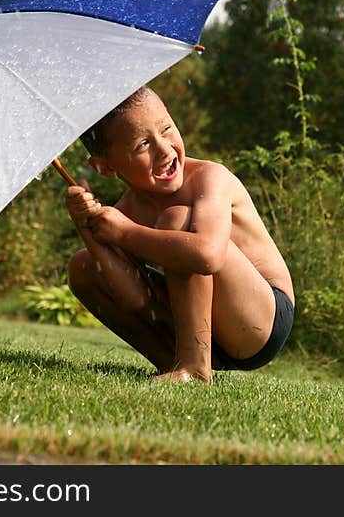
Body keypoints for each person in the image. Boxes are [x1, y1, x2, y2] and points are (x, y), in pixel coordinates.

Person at [65, 85, 295, 383]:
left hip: (261, 320)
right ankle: (173, 363)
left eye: (167, 129)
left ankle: (194, 368)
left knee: (177, 219)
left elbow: (207, 255)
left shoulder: (210, 177)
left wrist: (123, 232)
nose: (164, 149)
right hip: (207, 328)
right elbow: (135, 299)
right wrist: (91, 230)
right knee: (83, 265)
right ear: (105, 167)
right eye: (143, 144)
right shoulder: (129, 210)